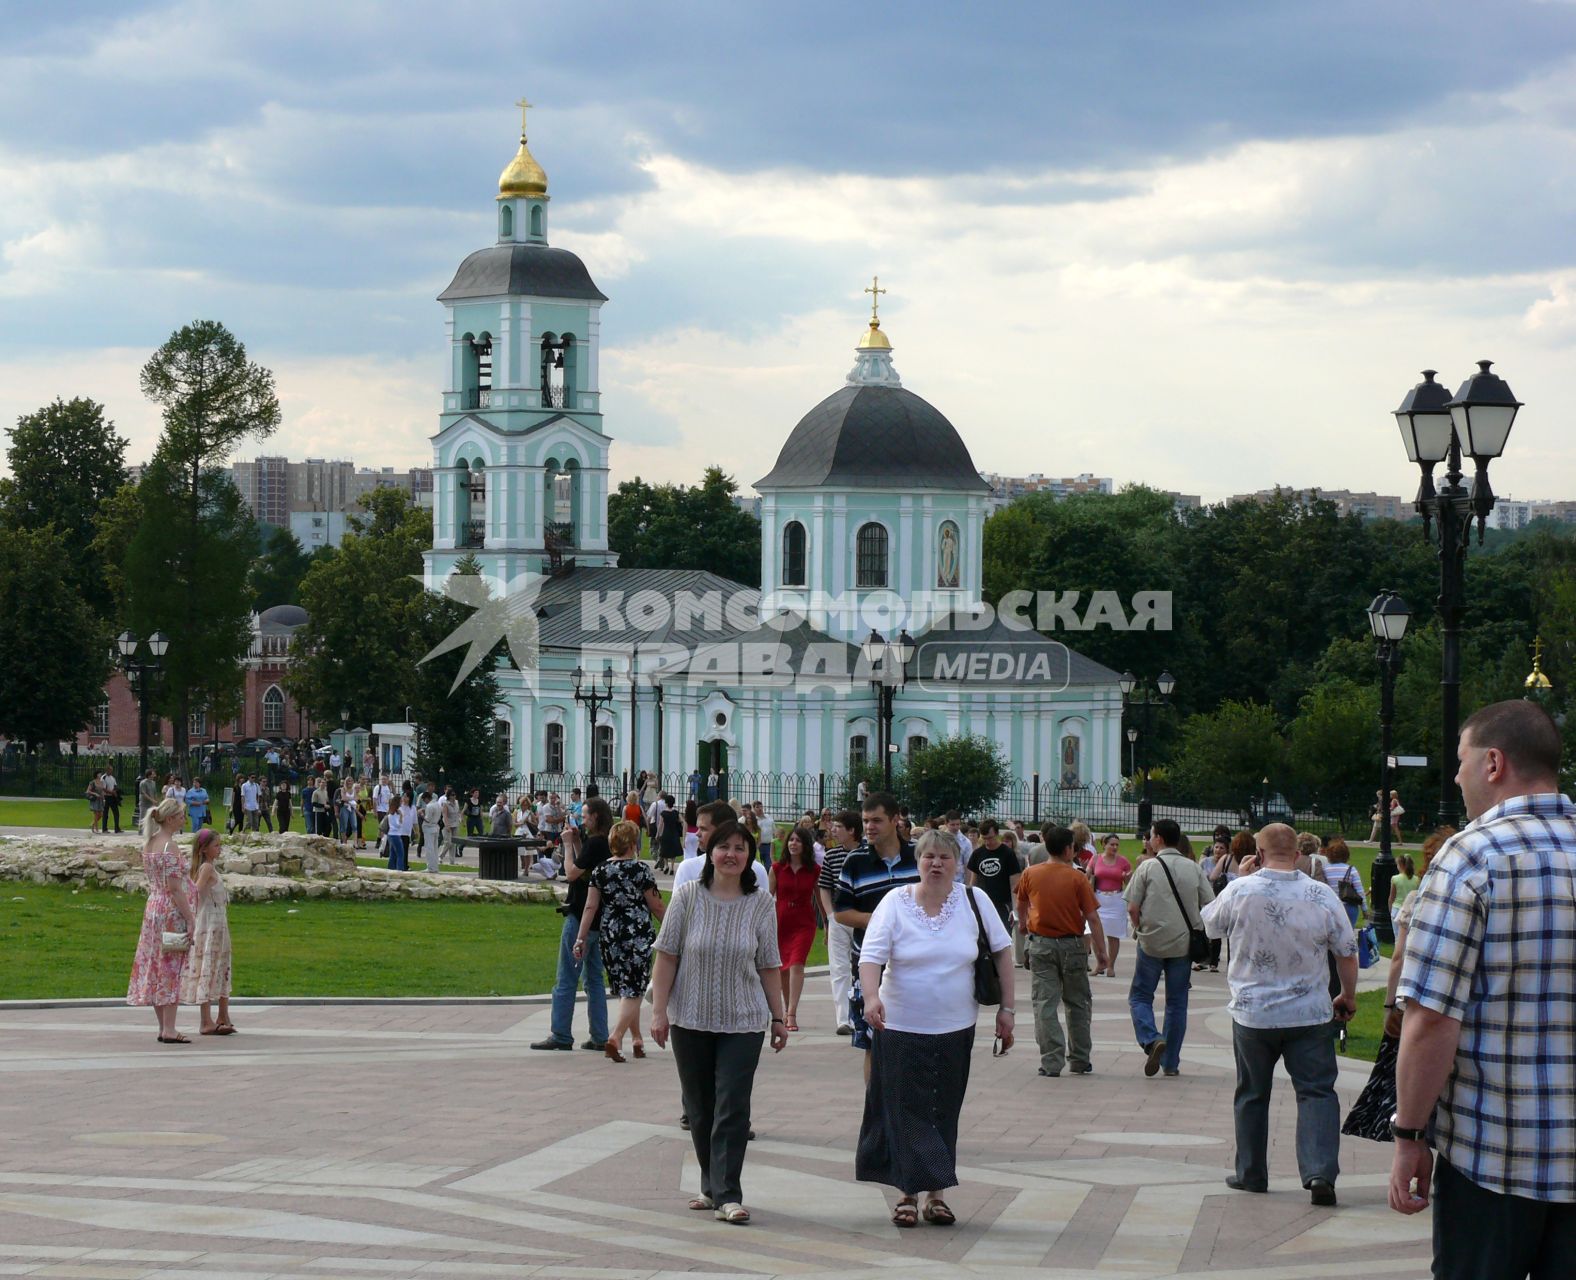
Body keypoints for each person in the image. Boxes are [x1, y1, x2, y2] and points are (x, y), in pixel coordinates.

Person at [1389, 701, 1576, 1276]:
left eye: (1462, 759)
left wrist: (1409, 1132)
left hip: (1495, 1154)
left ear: (1493, 763)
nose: (1455, 775)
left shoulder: (1473, 855)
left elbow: (1432, 1020)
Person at [857, 829, 1014, 1227]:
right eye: (929, 857)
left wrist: (1007, 1009)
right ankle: (907, 1194)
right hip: (900, 1024)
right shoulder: (895, 902)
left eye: (945, 857)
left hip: (955, 1025)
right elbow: (871, 955)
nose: (936, 864)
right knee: (904, 1110)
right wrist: (872, 997)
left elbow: (1003, 952)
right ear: (918, 861)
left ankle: (937, 1195)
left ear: (958, 864)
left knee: (943, 1109)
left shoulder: (974, 901)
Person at [1204, 822, 1356, 1204]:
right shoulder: (1321, 894)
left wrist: (1237, 878)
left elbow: (1210, 926)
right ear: (1299, 854)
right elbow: (1346, 950)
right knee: (1317, 1092)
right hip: (1309, 1013)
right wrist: (1348, 995)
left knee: (1252, 1093)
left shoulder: (1241, 890)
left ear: (1258, 852)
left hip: (1254, 1013)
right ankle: (1320, 1172)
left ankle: (1252, 1173)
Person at [650, 819, 787, 1225]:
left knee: (732, 1104)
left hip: (743, 1020)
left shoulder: (761, 903)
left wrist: (778, 1017)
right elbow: (668, 955)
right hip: (689, 1017)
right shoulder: (688, 895)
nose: (732, 854)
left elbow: (768, 964)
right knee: (699, 1106)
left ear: (750, 857)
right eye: (724, 846)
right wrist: (658, 1012)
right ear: (710, 852)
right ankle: (710, 1184)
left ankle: (728, 1193)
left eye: (740, 848)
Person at [834, 792, 920, 1081]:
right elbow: (842, 912)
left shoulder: (918, 857)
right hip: (871, 964)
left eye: (876, 820)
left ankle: (907, 1107)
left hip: (914, 963)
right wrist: (881, 920)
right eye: (865, 821)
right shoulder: (855, 861)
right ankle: (876, 1111)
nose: (869, 827)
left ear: (896, 820)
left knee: (913, 1039)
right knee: (873, 1041)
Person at [1124, 818, 1213, 1078]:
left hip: (1151, 940)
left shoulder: (1148, 867)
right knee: (1177, 1003)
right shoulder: (1193, 868)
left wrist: (1139, 927)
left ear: (1159, 838)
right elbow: (1209, 903)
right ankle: (1171, 1062)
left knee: (1140, 996)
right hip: (1183, 943)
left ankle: (1151, 1039)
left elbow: (1132, 906)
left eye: (1151, 835)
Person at [1017, 825, 1106, 1077]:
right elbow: (1092, 917)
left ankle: (1051, 1061)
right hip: (1073, 946)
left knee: (1045, 1003)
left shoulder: (1030, 874)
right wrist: (1101, 952)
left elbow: (1021, 904)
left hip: (1041, 944)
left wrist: (1024, 925)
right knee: (1077, 1002)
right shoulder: (1077, 877)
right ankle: (1079, 1058)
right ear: (1069, 850)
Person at [574, 820, 665, 1061]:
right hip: (637, 934)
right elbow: (656, 905)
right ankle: (615, 1037)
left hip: (611, 935)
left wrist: (580, 938)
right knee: (634, 989)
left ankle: (637, 1040)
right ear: (633, 844)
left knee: (626, 988)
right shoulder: (641, 870)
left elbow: (590, 906)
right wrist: (673, 928)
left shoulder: (600, 870)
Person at [533, 796, 614, 1052]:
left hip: (580, 917)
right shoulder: (604, 844)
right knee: (594, 980)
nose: (582, 818)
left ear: (596, 817)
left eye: (586, 815)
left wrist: (568, 845)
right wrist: (578, 841)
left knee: (566, 977)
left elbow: (571, 873)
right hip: (599, 921)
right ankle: (600, 1035)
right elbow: (587, 867)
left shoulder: (597, 843)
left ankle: (560, 1034)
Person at [126, 796, 194, 1043]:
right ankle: (170, 1028)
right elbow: (175, 888)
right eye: (181, 816)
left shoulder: (150, 843)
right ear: (171, 818)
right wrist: (191, 917)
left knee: (155, 962)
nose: (183, 819)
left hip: (153, 907)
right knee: (170, 965)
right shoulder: (170, 847)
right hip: (170, 911)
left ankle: (163, 1026)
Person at [179, 827, 237, 1036]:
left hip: (218, 921)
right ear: (204, 849)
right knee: (209, 965)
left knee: (221, 965)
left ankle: (223, 1014)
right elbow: (195, 891)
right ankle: (206, 1020)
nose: (219, 849)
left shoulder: (210, 867)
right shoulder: (206, 869)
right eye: (216, 845)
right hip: (210, 922)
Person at [770, 826, 820, 1031]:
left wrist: (828, 923)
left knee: (797, 964)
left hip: (804, 923)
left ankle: (791, 1014)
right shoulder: (777, 868)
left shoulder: (814, 870)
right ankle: (785, 1009)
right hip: (781, 922)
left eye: (798, 840)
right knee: (783, 969)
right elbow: (766, 898)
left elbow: (820, 896)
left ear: (805, 845)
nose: (793, 843)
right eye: (791, 840)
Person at [817, 809, 861, 1036]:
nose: (832, 830)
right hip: (838, 918)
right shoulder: (831, 855)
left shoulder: (867, 853)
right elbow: (824, 886)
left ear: (852, 830)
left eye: (838, 827)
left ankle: (862, 1013)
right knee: (839, 968)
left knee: (864, 967)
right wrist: (830, 916)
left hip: (863, 919)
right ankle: (844, 1018)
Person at [1088, 833, 1132, 978]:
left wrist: (1127, 876)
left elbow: (1130, 883)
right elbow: (1087, 876)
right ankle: (1101, 962)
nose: (1114, 847)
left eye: (1116, 845)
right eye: (1111, 844)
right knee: (1095, 934)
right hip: (1099, 899)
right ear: (1104, 845)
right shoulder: (1095, 859)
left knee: (1114, 935)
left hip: (1116, 899)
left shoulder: (1123, 861)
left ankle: (1111, 965)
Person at [965, 820, 1019, 933]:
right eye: (984, 839)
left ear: (997, 834)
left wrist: (1015, 910)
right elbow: (972, 882)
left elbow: (1015, 884)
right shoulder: (977, 854)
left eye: (990, 838)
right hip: (983, 904)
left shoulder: (1008, 854)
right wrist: (969, 905)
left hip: (1003, 904)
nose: (987, 842)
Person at [1321, 837, 1365, 926]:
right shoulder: (1351, 870)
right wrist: (1364, 909)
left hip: (1330, 906)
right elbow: (1360, 892)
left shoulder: (1324, 869)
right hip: (1349, 906)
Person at [655, 794, 684, 874]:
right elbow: (682, 821)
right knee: (673, 852)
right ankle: (672, 867)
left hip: (666, 833)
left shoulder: (663, 813)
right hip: (674, 833)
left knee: (664, 850)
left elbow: (660, 825)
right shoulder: (675, 812)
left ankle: (666, 865)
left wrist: (657, 834)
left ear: (666, 803)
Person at [1387, 853, 1419, 918]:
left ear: (1401, 865)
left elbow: (1392, 897)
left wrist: (1390, 909)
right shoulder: (1416, 879)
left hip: (1397, 908)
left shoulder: (1395, 878)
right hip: (1410, 909)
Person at [385, 791, 410, 871]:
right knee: (400, 854)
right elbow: (398, 825)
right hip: (396, 834)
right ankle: (400, 869)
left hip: (390, 834)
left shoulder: (390, 811)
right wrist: (401, 817)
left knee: (393, 853)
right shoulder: (398, 812)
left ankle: (390, 868)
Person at [102, 768, 122, 833]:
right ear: (107, 770)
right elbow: (104, 789)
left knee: (116, 813)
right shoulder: (104, 777)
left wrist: (115, 791)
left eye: (112, 770)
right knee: (105, 813)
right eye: (110, 770)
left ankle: (117, 828)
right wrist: (111, 792)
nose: (111, 771)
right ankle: (104, 828)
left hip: (112, 797)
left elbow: (115, 785)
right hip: (106, 797)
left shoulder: (112, 778)